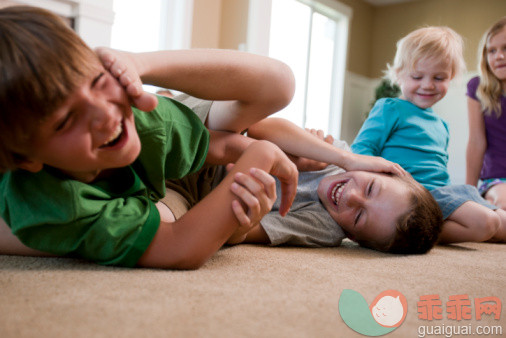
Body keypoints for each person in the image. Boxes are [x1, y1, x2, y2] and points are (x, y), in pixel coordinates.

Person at [0, 6, 404, 267]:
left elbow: (218, 146)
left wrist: (253, 157)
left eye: (97, 80)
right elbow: (180, 247)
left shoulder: (146, 121)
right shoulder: (56, 202)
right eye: (65, 120)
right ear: (29, 159)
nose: (105, 116)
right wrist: (261, 156)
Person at [351, 26, 506, 244]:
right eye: (417, 76)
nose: (427, 85)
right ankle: (415, 232)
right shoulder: (390, 108)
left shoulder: (441, 125)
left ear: (451, 77)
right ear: (398, 75)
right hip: (414, 194)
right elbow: (360, 150)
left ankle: (425, 226)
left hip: (443, 192)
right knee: (486, 223)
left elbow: (438, 171)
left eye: (439, 77)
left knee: (502, 223)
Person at [224, 122, 443, 254]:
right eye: (370, 188)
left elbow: (238, 233)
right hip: (225, 140)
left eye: (358, 217)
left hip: (215, 191)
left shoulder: (326, 229)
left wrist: (245, 213)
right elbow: (258, 128)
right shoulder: (339, 154)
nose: (352, 197)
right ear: (379, 169)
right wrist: (328, 158)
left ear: (353, 237)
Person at [466, 17, 506, 210]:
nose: (499, 56)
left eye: (505, 48)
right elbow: (476, 141)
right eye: (492, 50)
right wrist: (468, 192)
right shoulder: (477, 88)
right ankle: (488, 204)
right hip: (497, 178)